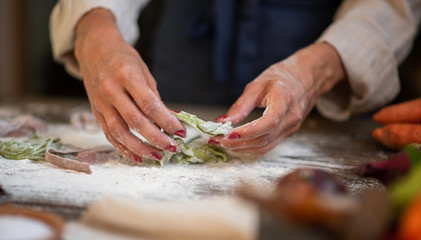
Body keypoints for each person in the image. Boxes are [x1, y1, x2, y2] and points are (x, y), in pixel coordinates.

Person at [50, 0, 421, 162]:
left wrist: (317, 70)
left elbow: (390, 5)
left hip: (320, 56)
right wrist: (95, 25)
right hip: (186, 57)